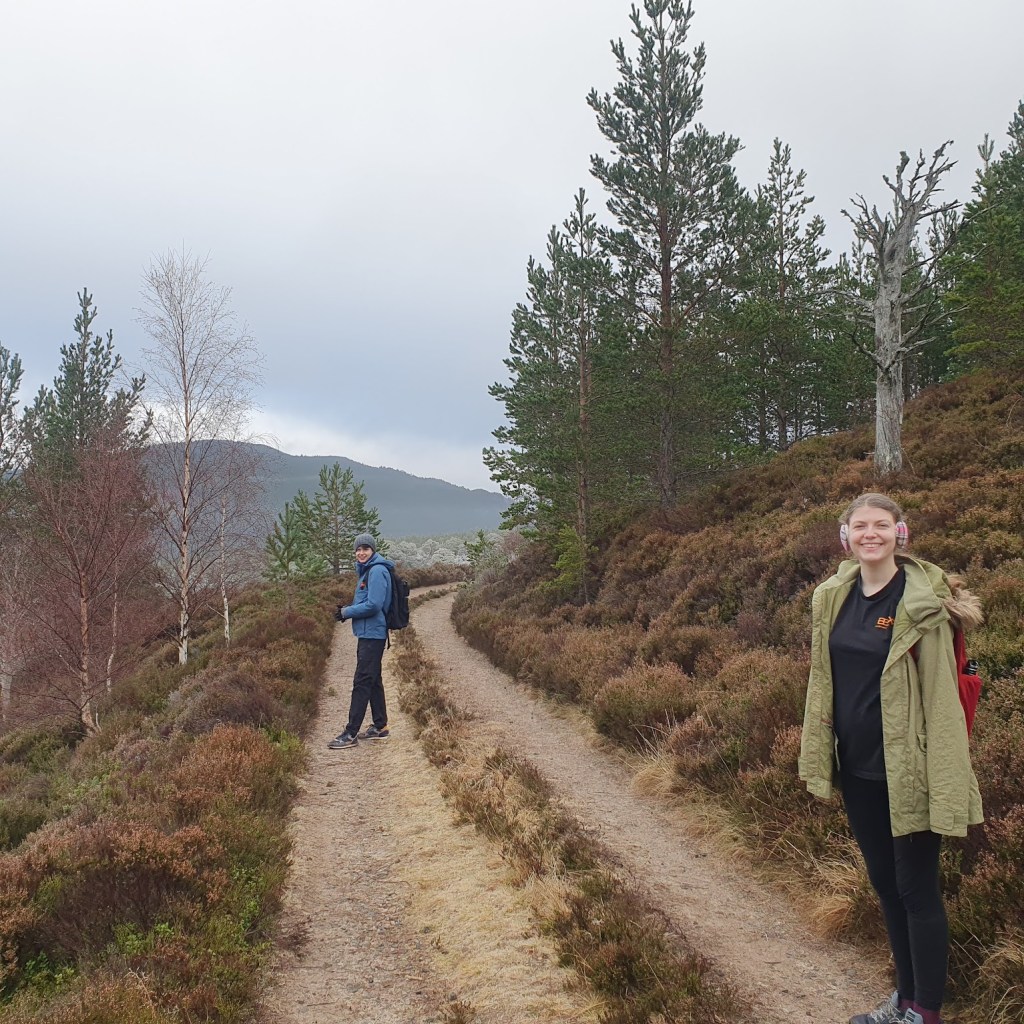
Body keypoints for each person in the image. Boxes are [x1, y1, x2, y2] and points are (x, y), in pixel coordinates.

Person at [799, 492, 983, 1024]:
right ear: (846, 536)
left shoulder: (923, 604)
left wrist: (944, 778)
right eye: (861, 526)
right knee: (884, 883)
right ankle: (903, 999)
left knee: (917, 889)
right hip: (857, 766)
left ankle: (925, 1011)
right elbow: (823, 680)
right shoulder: (834, 596)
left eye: (882, 525)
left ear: (900, 535)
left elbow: (944, 703)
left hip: (910, 768)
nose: (870, 534)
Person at [328, 533, 393, 750]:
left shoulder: (376, 571)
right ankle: (380, 726)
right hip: (369, 633)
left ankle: (350, 733)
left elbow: (374, 605)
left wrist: (346, 612)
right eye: (358, 549)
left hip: (373, 634)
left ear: (373, 550)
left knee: (362, 681)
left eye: (365, 548)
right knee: (373, 679)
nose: (361, 552)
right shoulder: (368, 570)